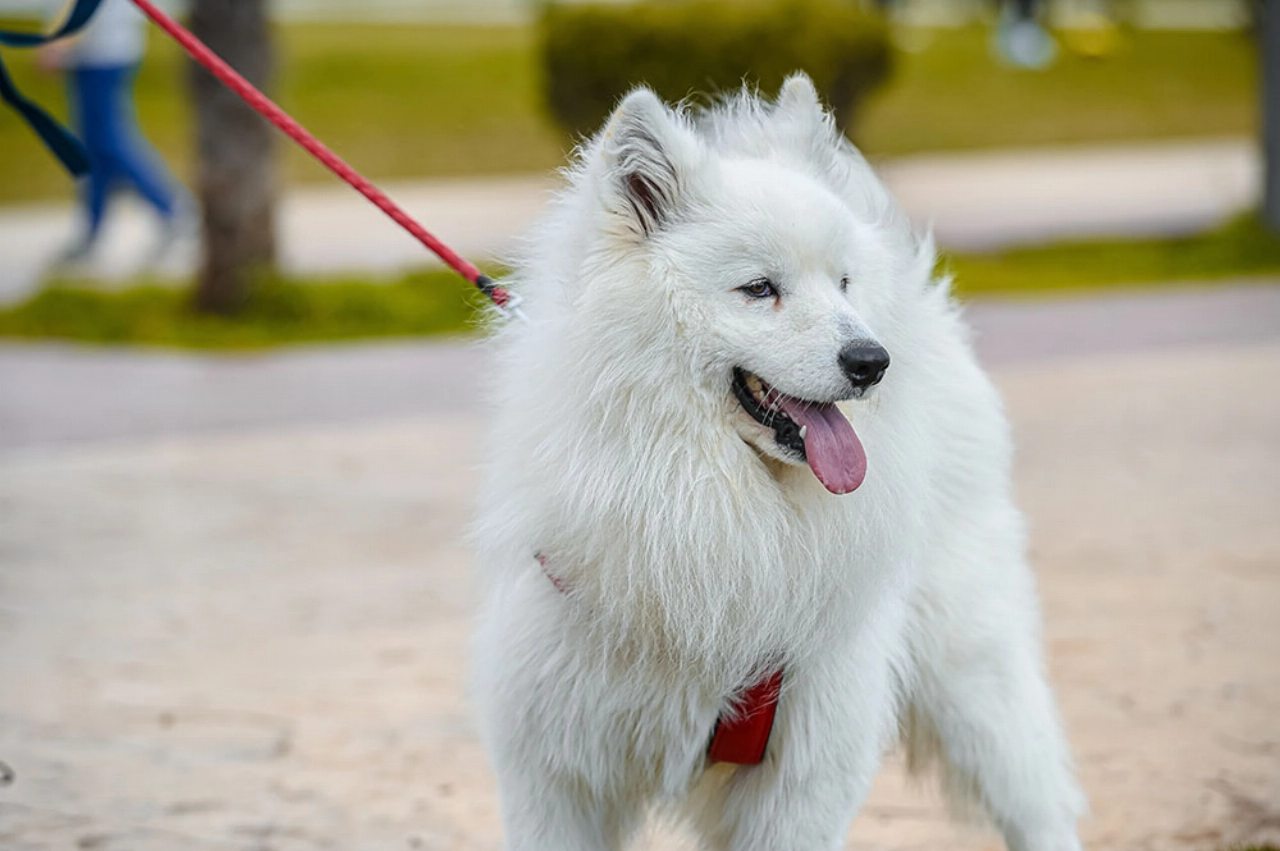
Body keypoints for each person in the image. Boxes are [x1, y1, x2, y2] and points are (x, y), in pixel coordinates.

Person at [40, 0, 187, 266]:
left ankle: (171, 210)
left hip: (100, 52)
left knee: (108, 143)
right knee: (94, 148)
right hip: (96, 51)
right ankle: (93, 231)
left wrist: (58, 43)